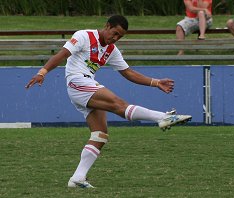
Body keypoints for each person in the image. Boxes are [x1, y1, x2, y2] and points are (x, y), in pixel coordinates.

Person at [25, 15, 192, 188]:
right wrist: (42, 72)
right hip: (77, 82)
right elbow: (62, 54)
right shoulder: (84, 36)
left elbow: (129, 73)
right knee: (119, 104)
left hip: (85, 85)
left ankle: (77, 178)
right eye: (114, 33)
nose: (116, 38)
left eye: (120, 36)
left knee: (100, 134)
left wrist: (156, 82)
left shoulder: (111, 50)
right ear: (107, 26)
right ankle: (162, 117)